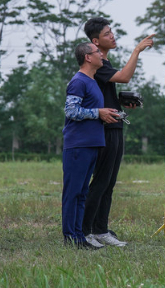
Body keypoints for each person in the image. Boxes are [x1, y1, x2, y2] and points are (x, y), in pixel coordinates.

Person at [82, 17, 154, 247]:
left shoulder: (104, 62)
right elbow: (124, 77)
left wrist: (120, 102)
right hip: (104, 128)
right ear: (95, 41)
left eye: (111, 31)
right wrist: (137, 50)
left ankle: (100, 230)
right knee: (101, 182)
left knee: (109, 183)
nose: (112, 36)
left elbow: (105, 92)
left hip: (115, 125)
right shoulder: (98, 63)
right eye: (106, 34)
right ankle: (85, 232)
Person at [62, 42, 118, 250]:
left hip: (92, 144)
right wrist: (98, 113)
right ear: (87, 57)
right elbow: (71, 111)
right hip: (78, 145)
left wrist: (108, 114)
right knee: (73, 192)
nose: (101, 55)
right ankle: (71, 237)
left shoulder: (92, 81)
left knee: (82, 193)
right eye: (97, 52)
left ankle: (80, 236)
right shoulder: (79, 81)